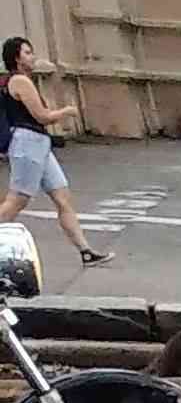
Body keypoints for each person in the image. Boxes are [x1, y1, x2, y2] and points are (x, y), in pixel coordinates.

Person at [1, 40, 110, 273]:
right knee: (17, 200)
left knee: (62, 198)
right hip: (27, 143)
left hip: (39, 144)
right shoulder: (19, 81)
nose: (32, 56)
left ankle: (85, 251)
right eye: (27, 53)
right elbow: (42, 116)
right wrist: (67, 111)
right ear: (17, 58)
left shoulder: (23, 80)